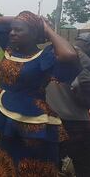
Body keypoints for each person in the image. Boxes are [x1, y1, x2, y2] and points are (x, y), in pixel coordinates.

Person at [0, 11, 79, 176]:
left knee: (30, 167)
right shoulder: (10, 49)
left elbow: (69, 55)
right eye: (12, 29)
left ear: (34, 33)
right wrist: (22, 18)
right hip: (6, 120)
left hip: (33, 124)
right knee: (6, 163)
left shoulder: (44, 57)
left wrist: (46, 28)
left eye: (19, 30)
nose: (12, 32)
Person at [46, 33, 90, 177]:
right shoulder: (82, 59)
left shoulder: (49, 52)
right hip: (76, 123)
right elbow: (83, 87)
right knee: (84, 166)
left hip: (49, 120)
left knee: (51, 164)